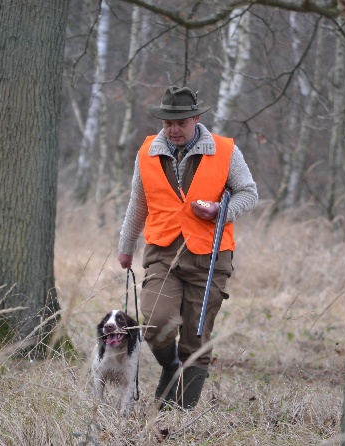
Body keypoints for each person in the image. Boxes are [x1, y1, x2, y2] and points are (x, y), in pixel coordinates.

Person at [117, 85, 258, 409]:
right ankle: (170, 366)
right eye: (168, 123)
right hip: (162, 253)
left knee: (196, 339)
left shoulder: (224, 151)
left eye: (180, 122)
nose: (174, 129)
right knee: (154, 324)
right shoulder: (148, 152)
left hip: (209, 257)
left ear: (196, 118)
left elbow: (248, 193)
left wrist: (221, 211)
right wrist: (126, 245)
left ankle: (179, 414)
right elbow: (138, 203)